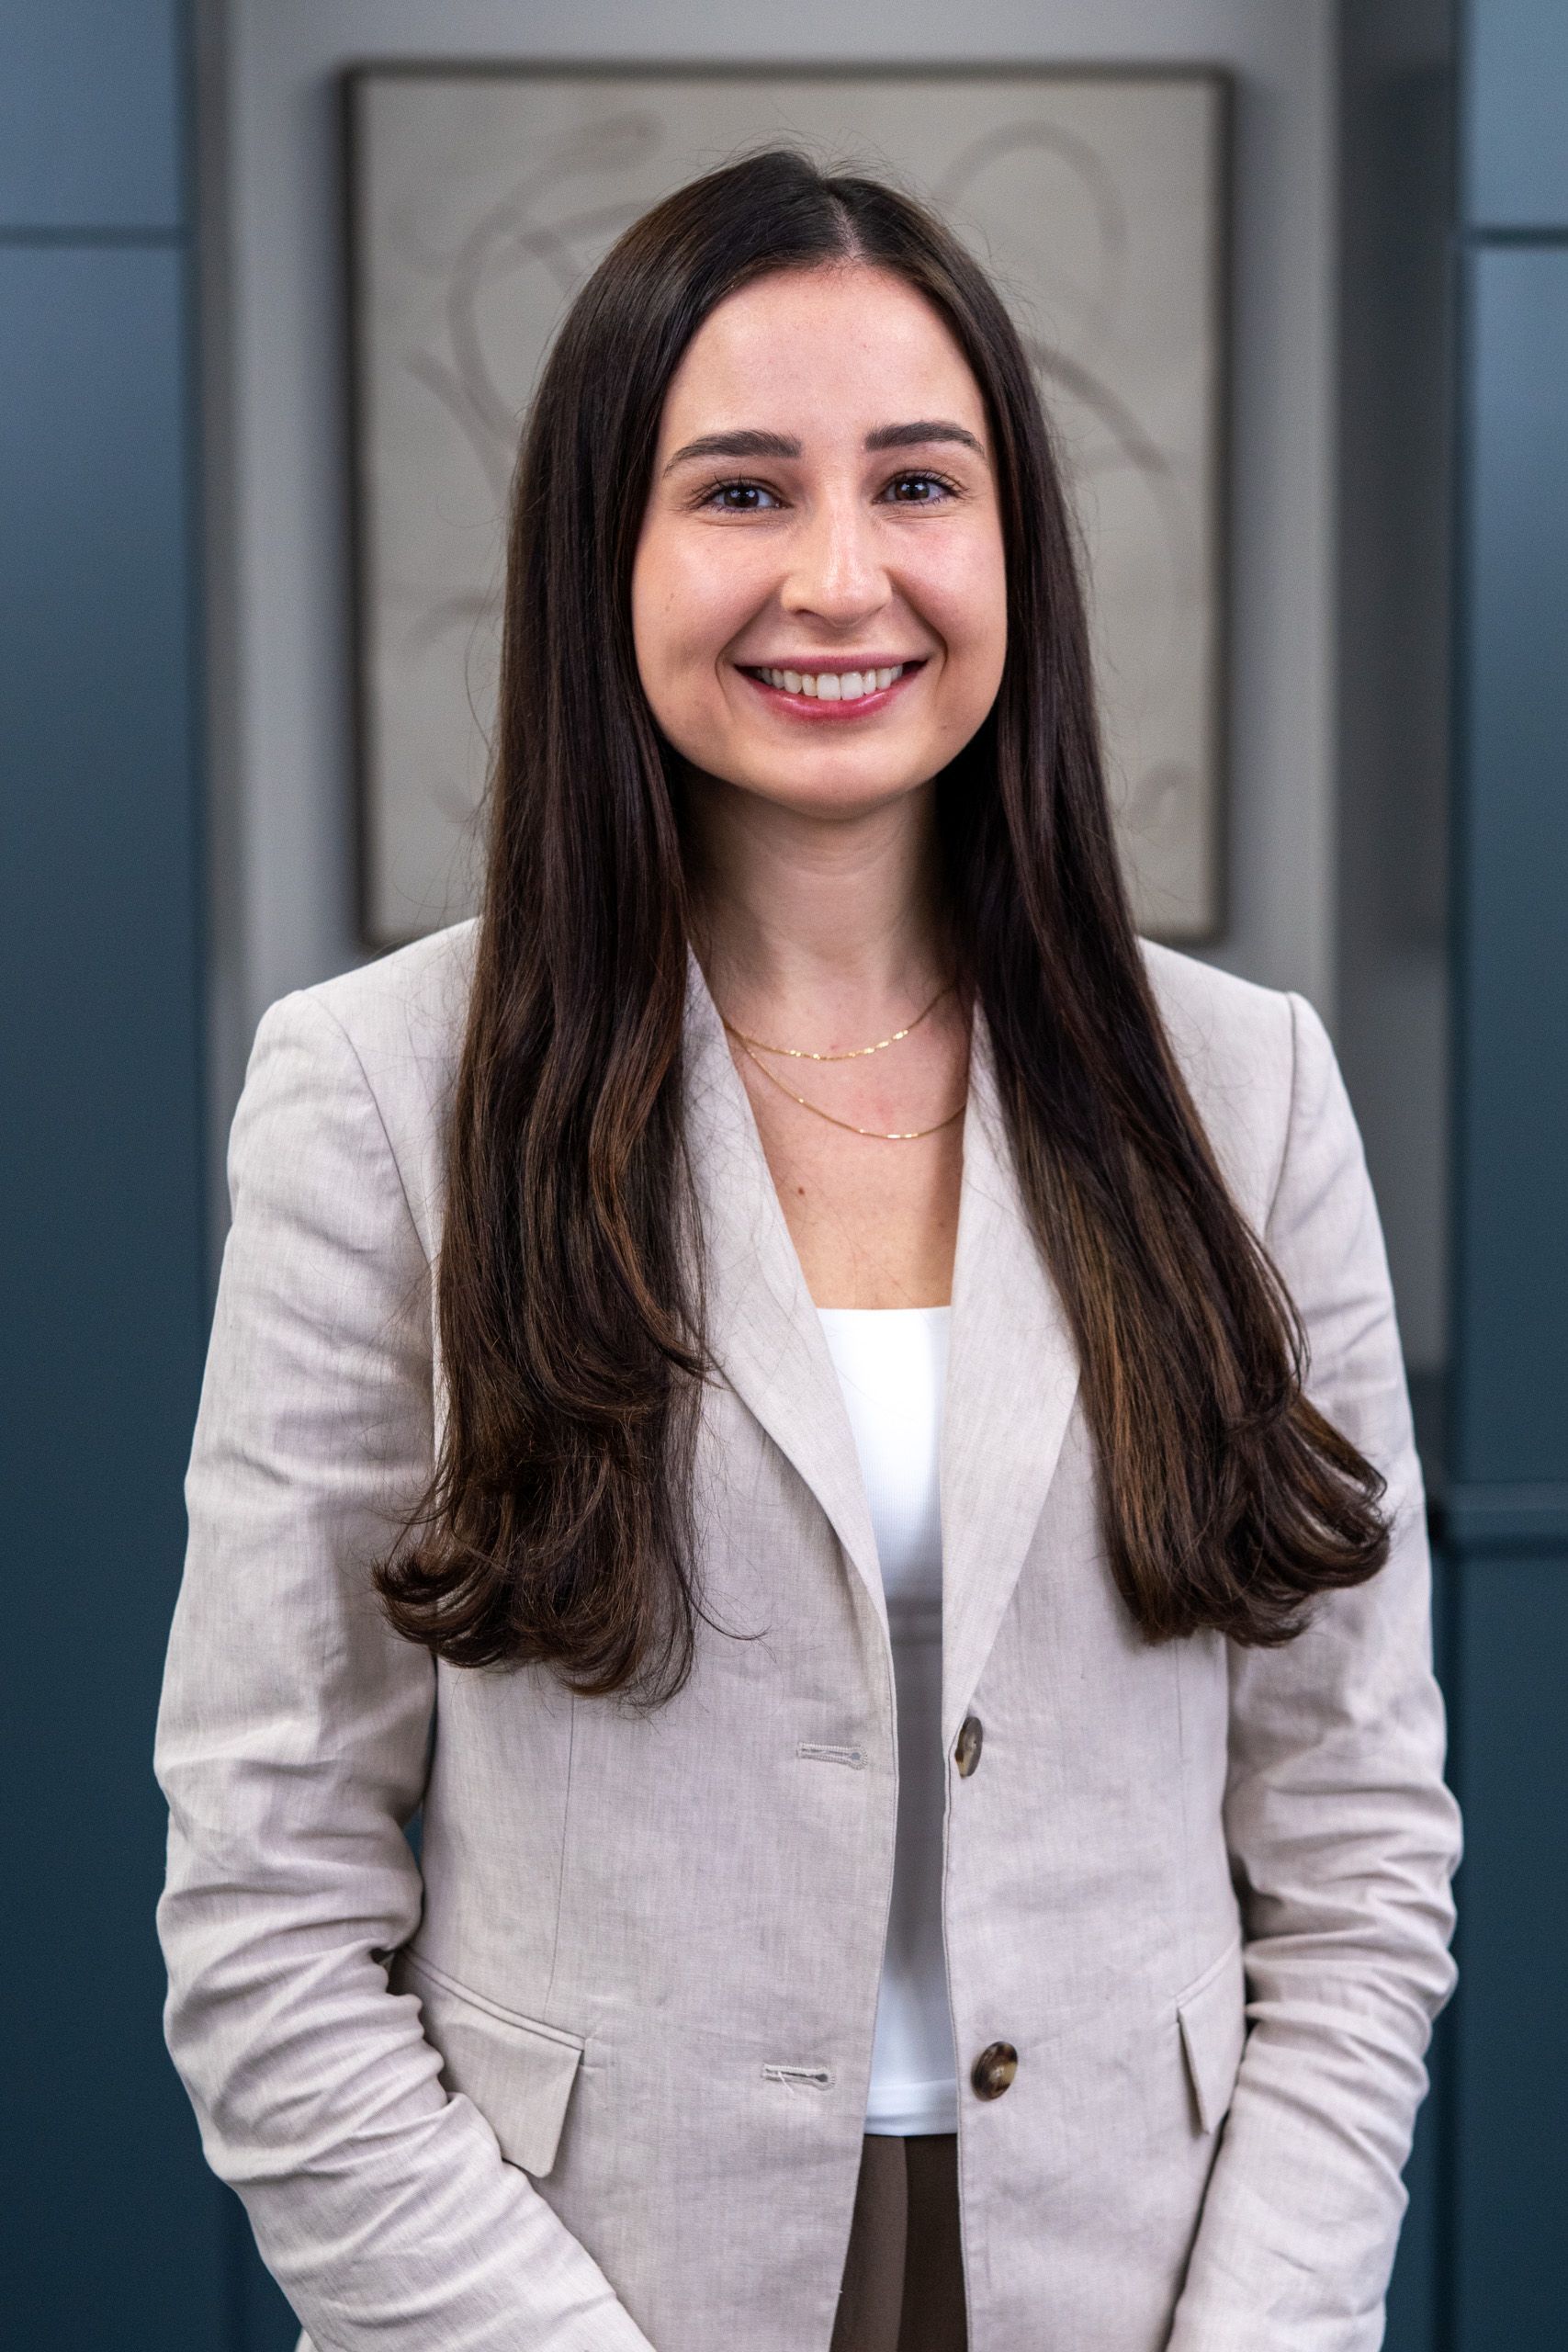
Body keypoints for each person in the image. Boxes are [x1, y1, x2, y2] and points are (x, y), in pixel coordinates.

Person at [154, 148, 1461, 2352]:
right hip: (580, 2290)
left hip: (1132, 2281)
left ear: (1013, 546)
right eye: (740, 492)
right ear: (610, 555)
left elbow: (1353, 1861)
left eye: (917, 486)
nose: (839, 576)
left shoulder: (1245, 1091)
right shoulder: (381, 1092)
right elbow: (266, 1901)